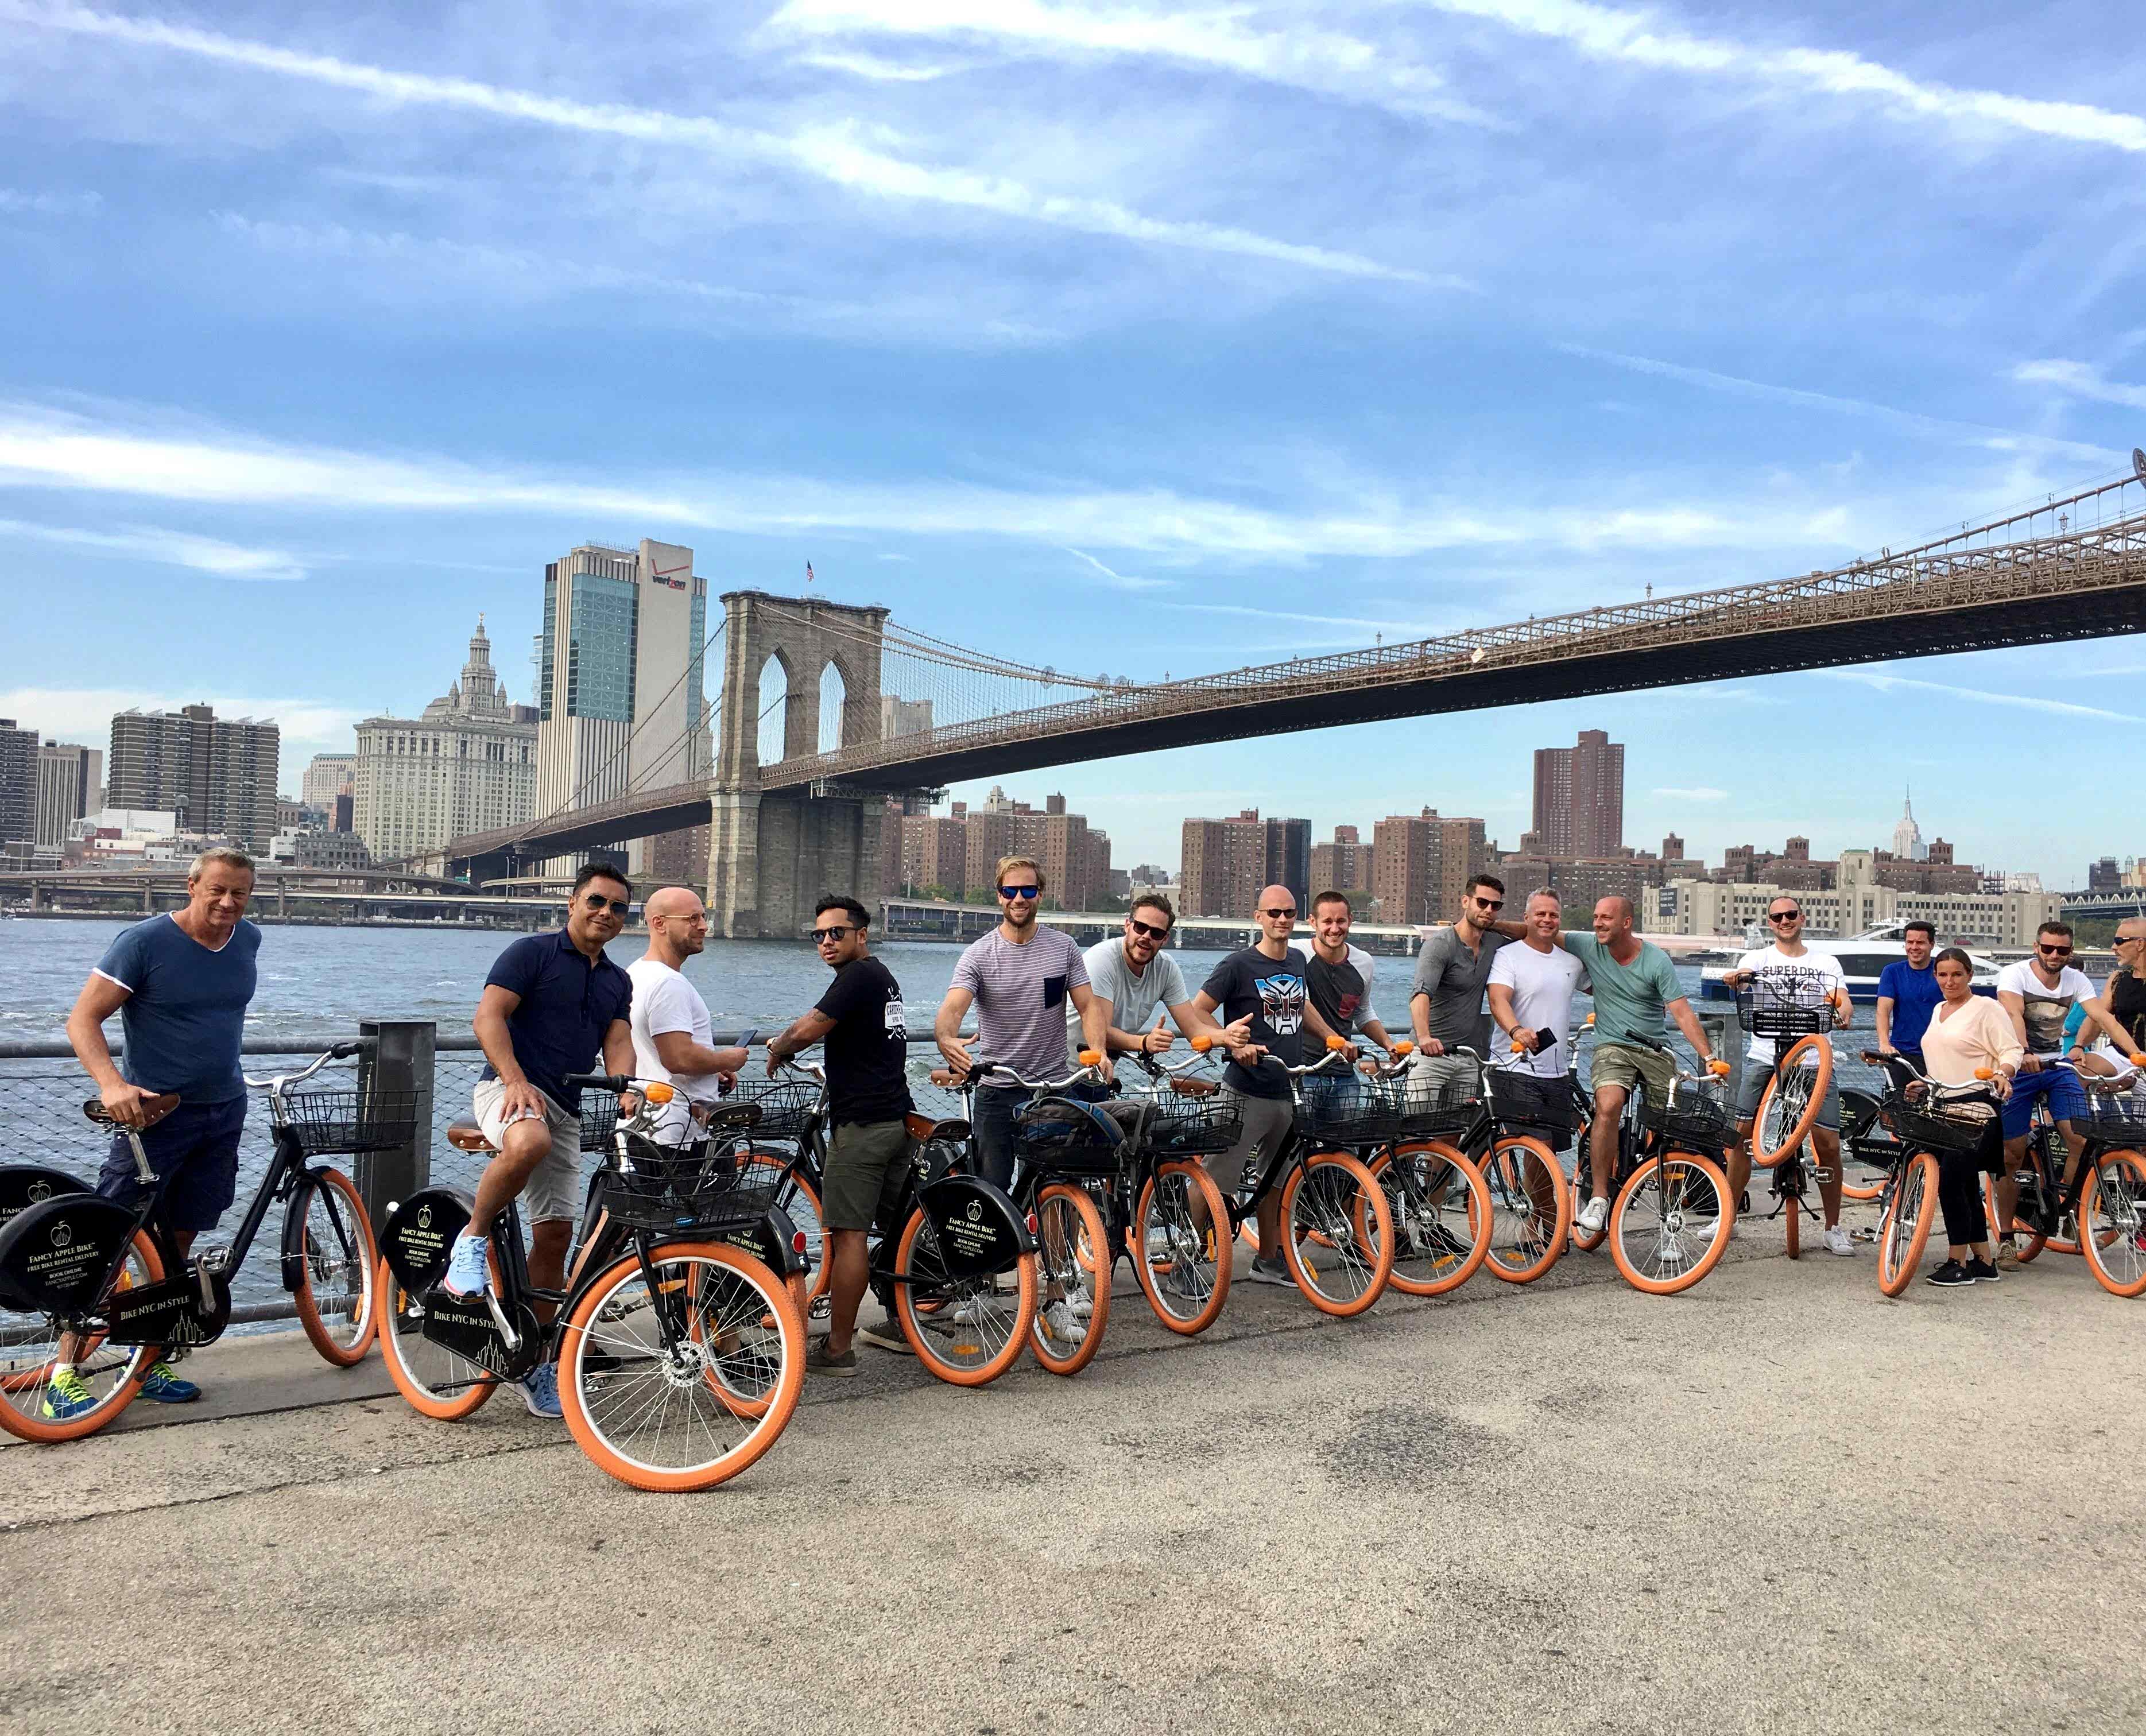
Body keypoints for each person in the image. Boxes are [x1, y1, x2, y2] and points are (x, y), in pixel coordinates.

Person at [48, 846, 264, 1419]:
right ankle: (64, 1370)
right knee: (113, 1239)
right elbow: (82, 1019)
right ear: (191, 886)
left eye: (238, 892)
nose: (227, 902)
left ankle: (145, 1362)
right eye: (216, 889)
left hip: (224, 1111)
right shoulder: (143, 942)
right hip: (154, 1117)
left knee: (178, 1243)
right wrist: (112, 1085)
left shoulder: (248, 940)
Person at [447, 861, 637, 1418]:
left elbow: (617, 1038)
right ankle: (471, 1242)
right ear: (573, 904)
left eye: (617, 907)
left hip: (568, 1108)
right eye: (596, 901)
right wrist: (514, 1079)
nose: (606, 913)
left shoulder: (616, 981)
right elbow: (489, 1018)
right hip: (507, 1093)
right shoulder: (530, 953)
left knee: (554, 1238)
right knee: (526, 1144)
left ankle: (536, 1363)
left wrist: (625, 1084)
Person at [765, 897, 914, 1374]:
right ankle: (903, 1324)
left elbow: (810, 1027)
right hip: (897, 1119)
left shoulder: (857, 978)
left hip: (864, 1126)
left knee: (848, 1237)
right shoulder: (882, 977)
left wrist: (778, 1047)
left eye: (837, 933)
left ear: (861, 935)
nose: (826, 942)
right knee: (897, 1228)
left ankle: (837, 1350)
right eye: (819, 935)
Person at [1191, 885, 1354, 1286]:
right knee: (1215, 1183)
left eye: (1289, 913)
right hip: (1245, 1090)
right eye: (1274, 913)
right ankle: (1188, 1258)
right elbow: (1197, 1012)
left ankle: (1268, 1259)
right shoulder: (1237, 965)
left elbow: (1302, 1005)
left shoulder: (1299, 958)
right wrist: (1231, 1040)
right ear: (1258, 917)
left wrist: (1333, 1037)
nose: (1282, 920)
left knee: (1276, 1183)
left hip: (1288, 1089)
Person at [936, 855, 1113, 1189]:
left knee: (1061, 1187)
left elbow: (1089, 1007)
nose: (1020, 899)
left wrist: (1099, 1052)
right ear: (1000, 896)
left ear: (1040, 894)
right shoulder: (979, 955)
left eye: (1028, 890)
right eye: (1011, 890)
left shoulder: (1064, 948)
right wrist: (946, 1038)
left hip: (1053, 1090)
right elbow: (954, 1008)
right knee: (994, 1195)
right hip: (997, 1091)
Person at [1558, 896, 1720, 1238]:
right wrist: (1492, 924)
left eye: (1606, 918)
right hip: (1612, 1046)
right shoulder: (1589, 945)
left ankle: (1671, 1219)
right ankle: (1599, 1198)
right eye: (1596, 917)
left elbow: (1681, 1012)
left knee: (1670, 1129)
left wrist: (1708, 1057)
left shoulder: (1656, 960)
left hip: (1655, 1049)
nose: (1598, 923)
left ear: (1627, 923)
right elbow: (1539, 931)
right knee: (1609, 1105)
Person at [1722, 897, 1856, 1257]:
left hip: (1814, 1060)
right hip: (1766, 1056)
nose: (1785, 921)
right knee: (1740, 1136)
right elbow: (1740, 983)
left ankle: (1833, 1227)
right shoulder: (1757, 959)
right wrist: (1735, 979)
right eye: (1777, 917)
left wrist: (1843, 1012)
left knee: (1828, 1143)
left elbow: (1841, 1000)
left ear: (1802, 918)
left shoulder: (1825, 962)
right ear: (1770, 923)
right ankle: (1728, 1219)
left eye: (1791, 915)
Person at [1992, 921, 2130, 1264]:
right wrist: (2023, 1052)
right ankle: (2007, 1236)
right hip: (2018, 1064)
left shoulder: (2076, 979)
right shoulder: (2015, 975)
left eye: (2063, 950)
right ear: (2036, 947)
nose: (2055, 956)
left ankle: (2066, 1203)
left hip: (2057, 1067)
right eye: (2048, 948)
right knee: (2011, 1153)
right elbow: (2014, 1013)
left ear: (2070, 952)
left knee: (2081, 1139)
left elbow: (2104, 1018)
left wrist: (2138, 1056)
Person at [1912, 948, 2021, 1286]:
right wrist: (1924, 1082)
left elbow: (2012, 1049)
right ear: (1935, 977)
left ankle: (1956, 1261)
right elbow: (1943, 1060)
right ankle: (1984, 1262)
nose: (1949, 981)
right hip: (1942, 1108)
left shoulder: (1987, 1008)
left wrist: (2003, 1073)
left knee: (1949, 1181)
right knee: (1966, 1187)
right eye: (1942, 975)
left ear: (1970, 975)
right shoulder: (1938, 1010)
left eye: (1957, 974)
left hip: (1977, 1110)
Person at [1063, 893, 1240, 1076]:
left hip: (1102, 1069)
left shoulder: (1166, 968)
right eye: (1141, 927)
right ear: (1127, 926)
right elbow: (1103, 1031)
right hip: (1064, 1070)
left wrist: (1227, 1036)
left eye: (1156, 933)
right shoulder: (1101, 959)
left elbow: (1194, 1029)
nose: (1147, 936)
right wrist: (1144, 1042)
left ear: (1165, 939)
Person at [626, 887, 749, 1141]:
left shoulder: (635, 973)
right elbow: (678, 1058)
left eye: (703, 917)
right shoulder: (669, 983)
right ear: (660, 924)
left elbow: (653, 1052)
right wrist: (727, 1059)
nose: (703, 926)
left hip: (644, 1121)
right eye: (693, 918)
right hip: (677, 1128)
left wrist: (712, 1068)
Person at [1407, 874, 1511, 1105]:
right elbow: (1420, 995)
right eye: (1482, 903)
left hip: (1467, 1057)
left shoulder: (1494, 944)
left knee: (1456, 1129)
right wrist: (1424, 1038)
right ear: (1466, 901)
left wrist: (1493, 921)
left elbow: (1529, 933)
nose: (1488, 909)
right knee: (1415, 1132)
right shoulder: (1440, 945)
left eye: (1496, 906)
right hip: (1430, 1056)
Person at [1486, 889, 1585, 1079]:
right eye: (1540, 914)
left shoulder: (1572, 962)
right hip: (1514, 1067)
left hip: (1558, 1073)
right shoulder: (1507, 956)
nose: (1547, 919)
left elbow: (1602, 990)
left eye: (1553, 915)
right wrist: (1517, 1031)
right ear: (1526, 918)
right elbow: (1498, 1000)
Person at [1300, 891, 1397, 1055]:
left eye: (1341, 921)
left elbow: (1363, 1011)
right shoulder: (1297, 954)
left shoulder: (1364, 962)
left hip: (1343, 1065)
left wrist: (1389, 1045)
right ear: (1313, 922)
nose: (1335, 929)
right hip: (1304, 1066)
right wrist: (1336, 1040)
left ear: (1350, 921)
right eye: (1328, 922)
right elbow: (1301, 1002)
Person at [2073, 917, 2146, 1080]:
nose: (2114, 947)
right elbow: (2097, 1018)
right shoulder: (2117, 979)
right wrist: (2079, 1046)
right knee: (2077, 1071)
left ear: (2140, 944)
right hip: (2121, 1056)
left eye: (2119, 941)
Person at [1874, 921, 1942, 1071]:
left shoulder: (1942, 972)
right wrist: (1885, 1043)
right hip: (1902, 1052)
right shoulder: (1892, 972)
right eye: (1910, 942)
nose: (1914, 947)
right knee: (1898, 1093)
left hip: (1939, 1052)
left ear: (1932, 945)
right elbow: (1883, 1010)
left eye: (1920, 943)